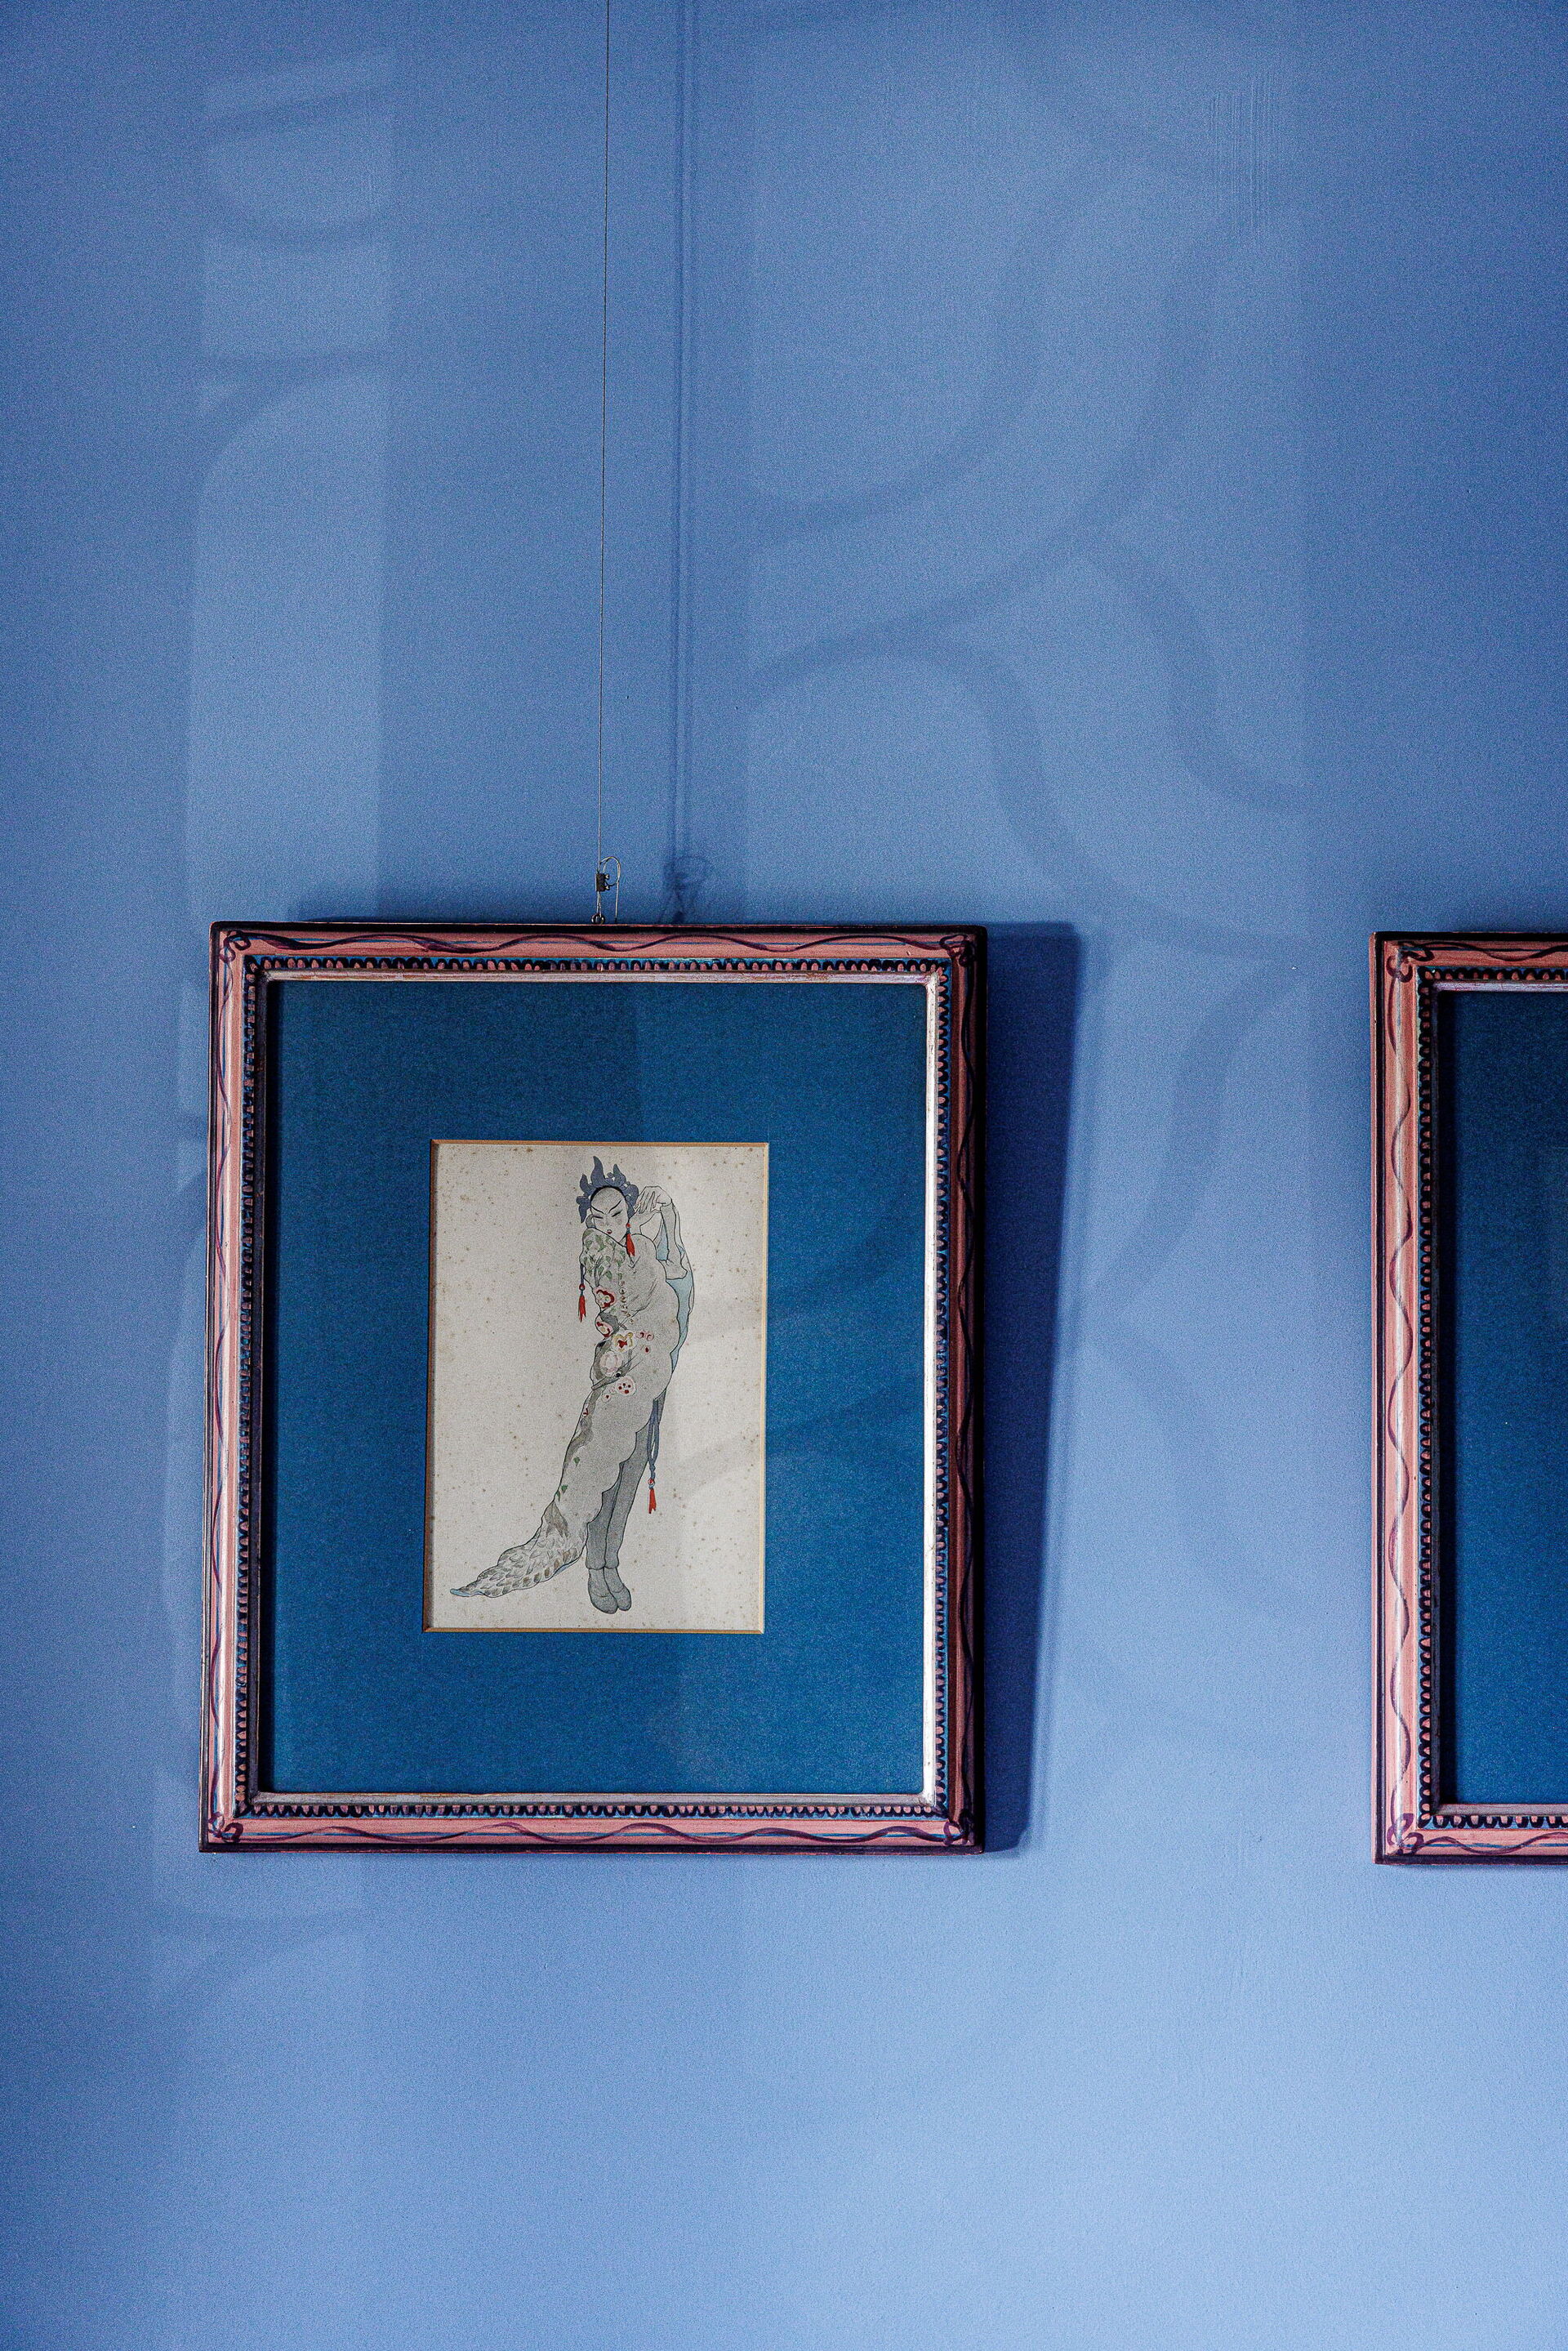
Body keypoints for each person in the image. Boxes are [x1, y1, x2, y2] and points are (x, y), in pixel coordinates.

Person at [452, 1160, 693, 1613]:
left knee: (632, 1474)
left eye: (617, 1214)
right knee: (602, 1478)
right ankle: (596, 1570)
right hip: (622, 1375)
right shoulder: (599, 1255)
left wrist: (668, 1214)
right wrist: (642, 1234)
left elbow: (678, 1271)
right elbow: (627, 1308)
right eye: (598, 1217)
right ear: (590, 1222)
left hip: (651, 1372)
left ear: (629, 1212)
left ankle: (611, 1563)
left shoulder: (639, 1246)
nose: (608, 1224)